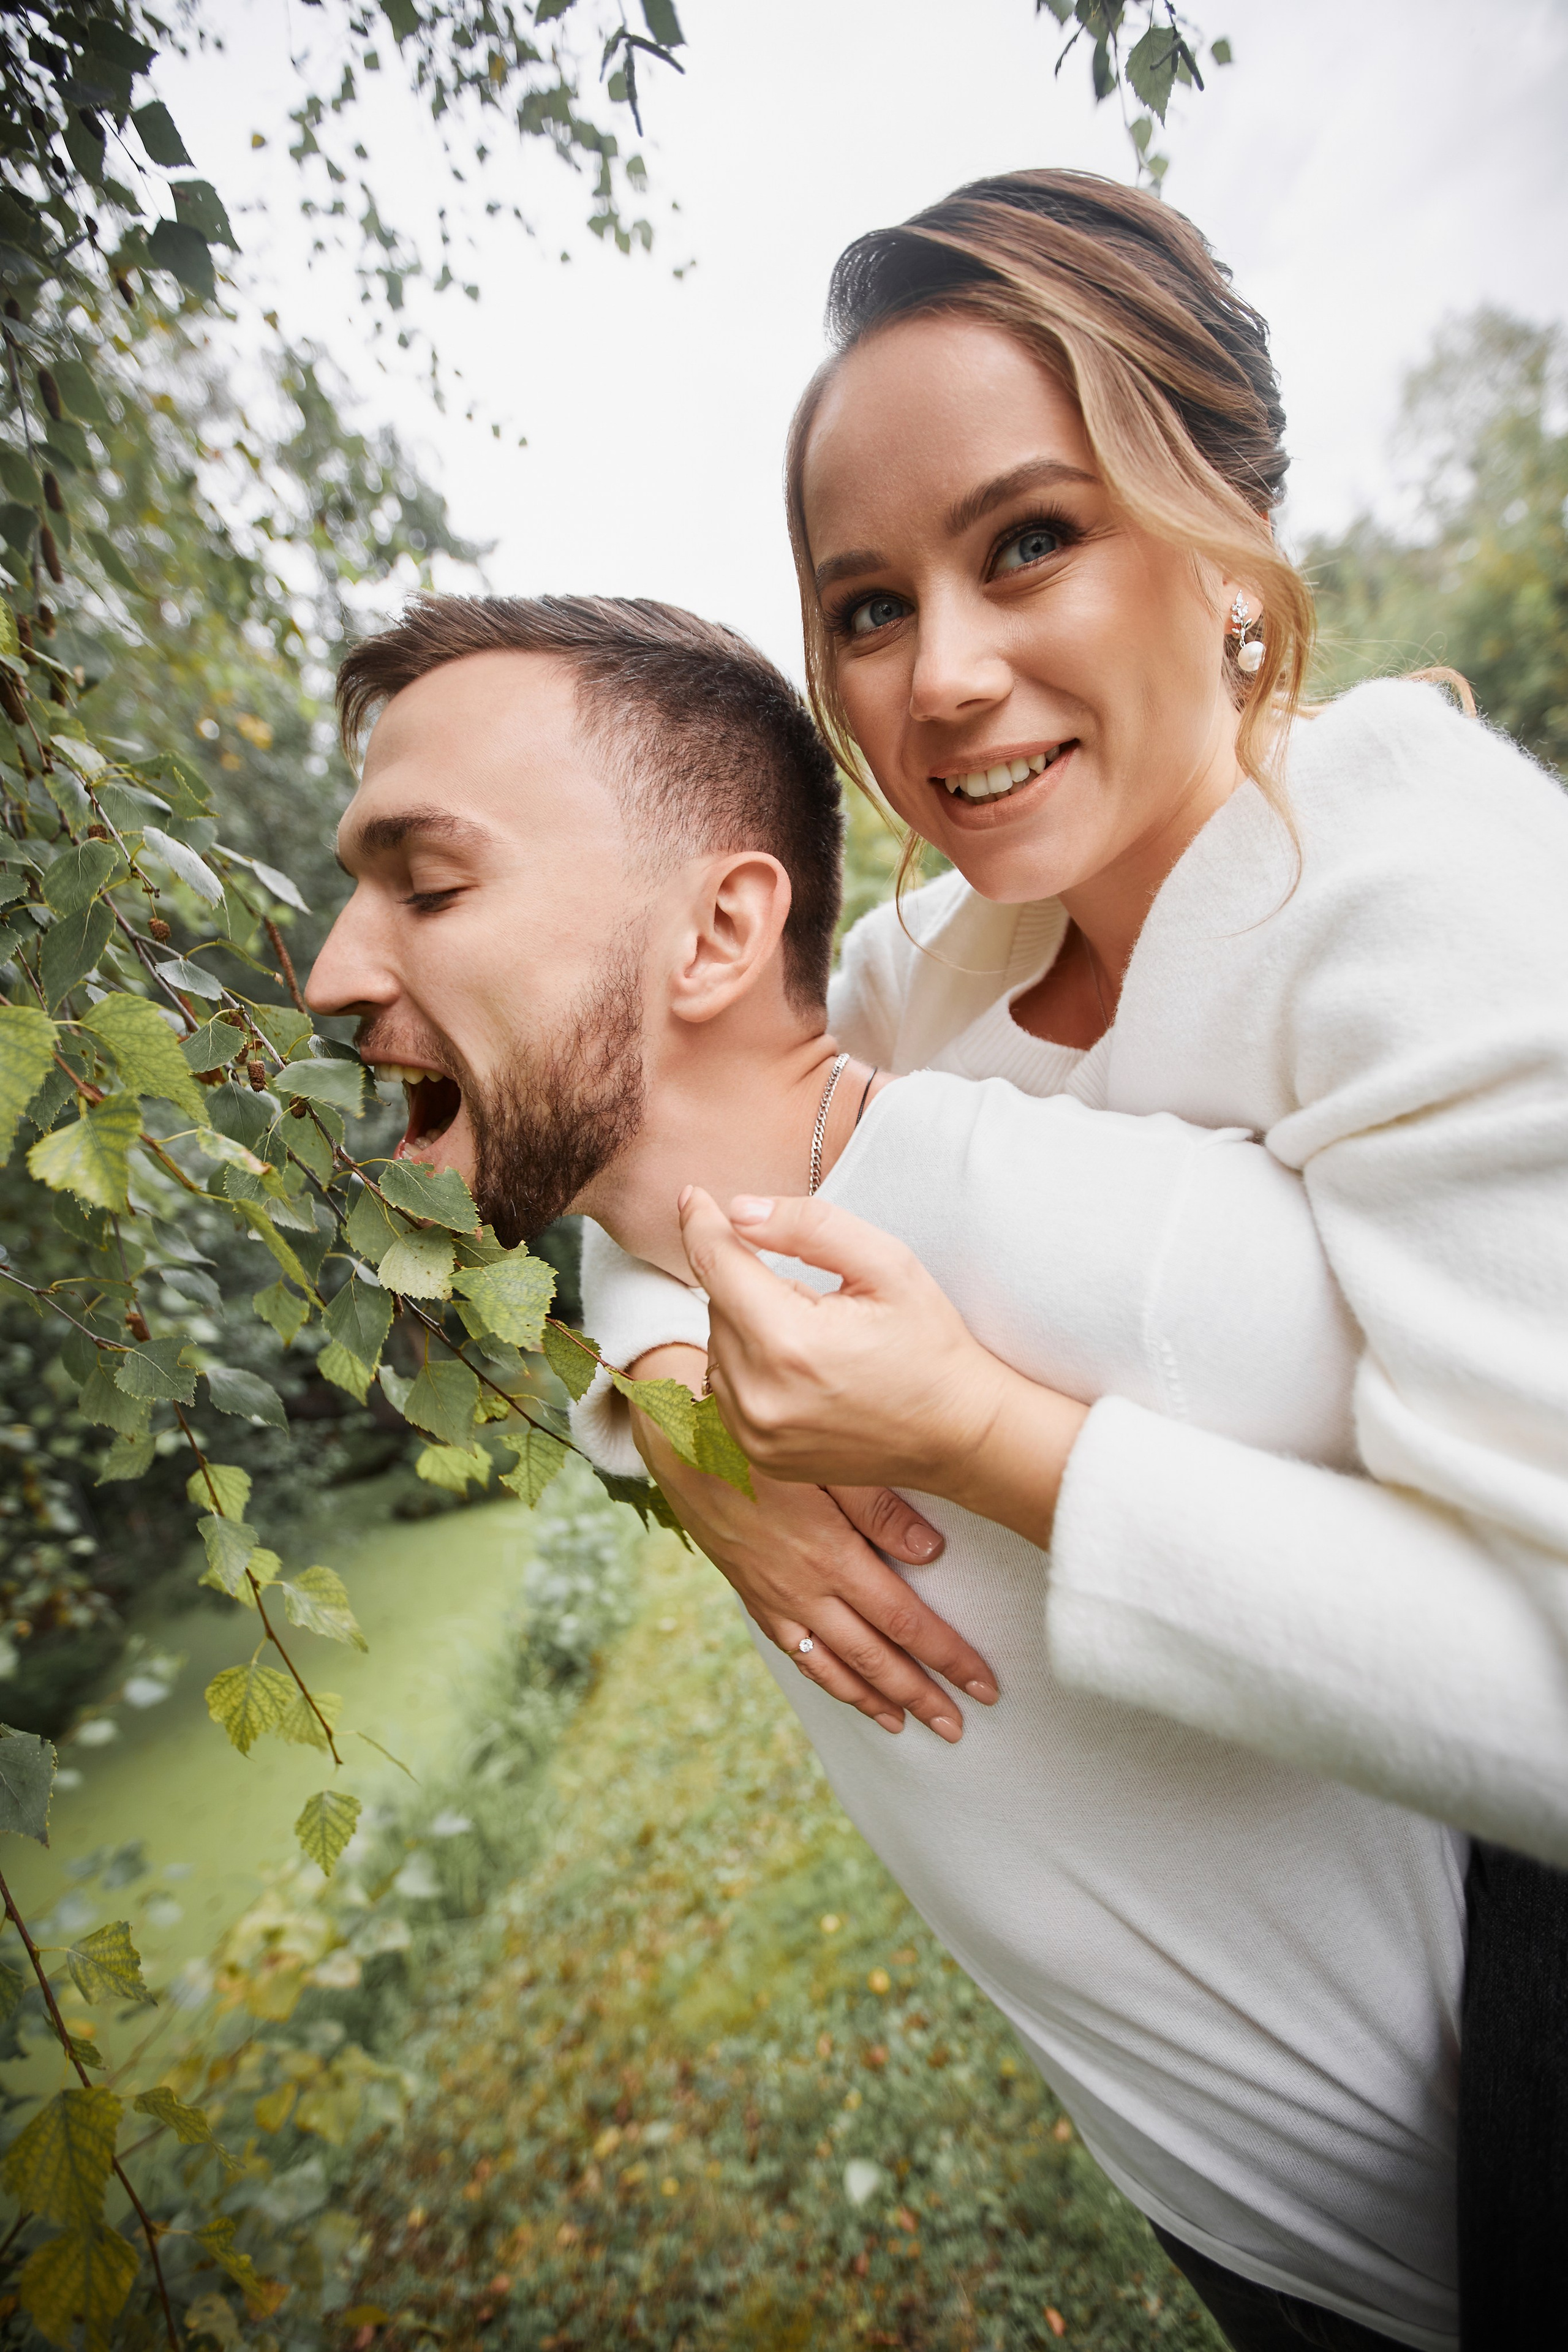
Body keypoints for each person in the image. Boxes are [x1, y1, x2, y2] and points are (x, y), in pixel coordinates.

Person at [578, 173, 1568, 2349]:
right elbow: (657, 1176)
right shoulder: (939, 968)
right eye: (862, 603)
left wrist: (993, 1440)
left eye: (1029, 539)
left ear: (1223, 534)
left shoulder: (1423, 888)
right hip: (1253, 2155)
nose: (940, 677)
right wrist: (667, 1414)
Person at [306, 592, 1464, 2350]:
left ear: (718, 933)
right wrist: (669, 1384)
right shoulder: (688, 1279)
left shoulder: (1097, 1245)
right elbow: (659, 1221)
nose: (330, 972)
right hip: (1233, 2218)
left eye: (431, 886)